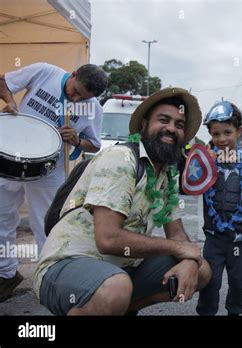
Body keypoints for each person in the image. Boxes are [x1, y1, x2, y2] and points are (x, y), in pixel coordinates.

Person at [32, 88, 212, 315]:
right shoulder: (121, 159)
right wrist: (180, 249)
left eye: (179, 124)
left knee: (202, 270)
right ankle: (100, 305)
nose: (171, 128)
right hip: (66, 265)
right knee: (116, 288)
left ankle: (118, 309)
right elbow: (108, 239)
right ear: (144, 125)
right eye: (163, 120)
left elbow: (176, 233)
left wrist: (189, 260)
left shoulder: (165, 175)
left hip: (122, 268)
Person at [0, 62, 107, 302]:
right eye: (76, 91)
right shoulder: (44, 71)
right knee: (2, 217)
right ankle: (6, 273)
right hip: (12, 156)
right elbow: (3, 82)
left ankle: (48, 277)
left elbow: (95, 144)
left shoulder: (93, 107)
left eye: (83, 98)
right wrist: (11, 102)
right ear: (74, 73)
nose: (77, 98)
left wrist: (78, 141)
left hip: (49, 169)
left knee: (47, 226)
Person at [196, 101, 242, 316]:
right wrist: (203, 161)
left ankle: (235, 312)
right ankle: (206, 312)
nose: (222, 139)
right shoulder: (207, 160)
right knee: (209, 281)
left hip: (241, 239)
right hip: (214, 238)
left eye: (228, 132)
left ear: (239, 131)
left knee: (239, 282)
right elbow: (189, 182)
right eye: (216, 134)